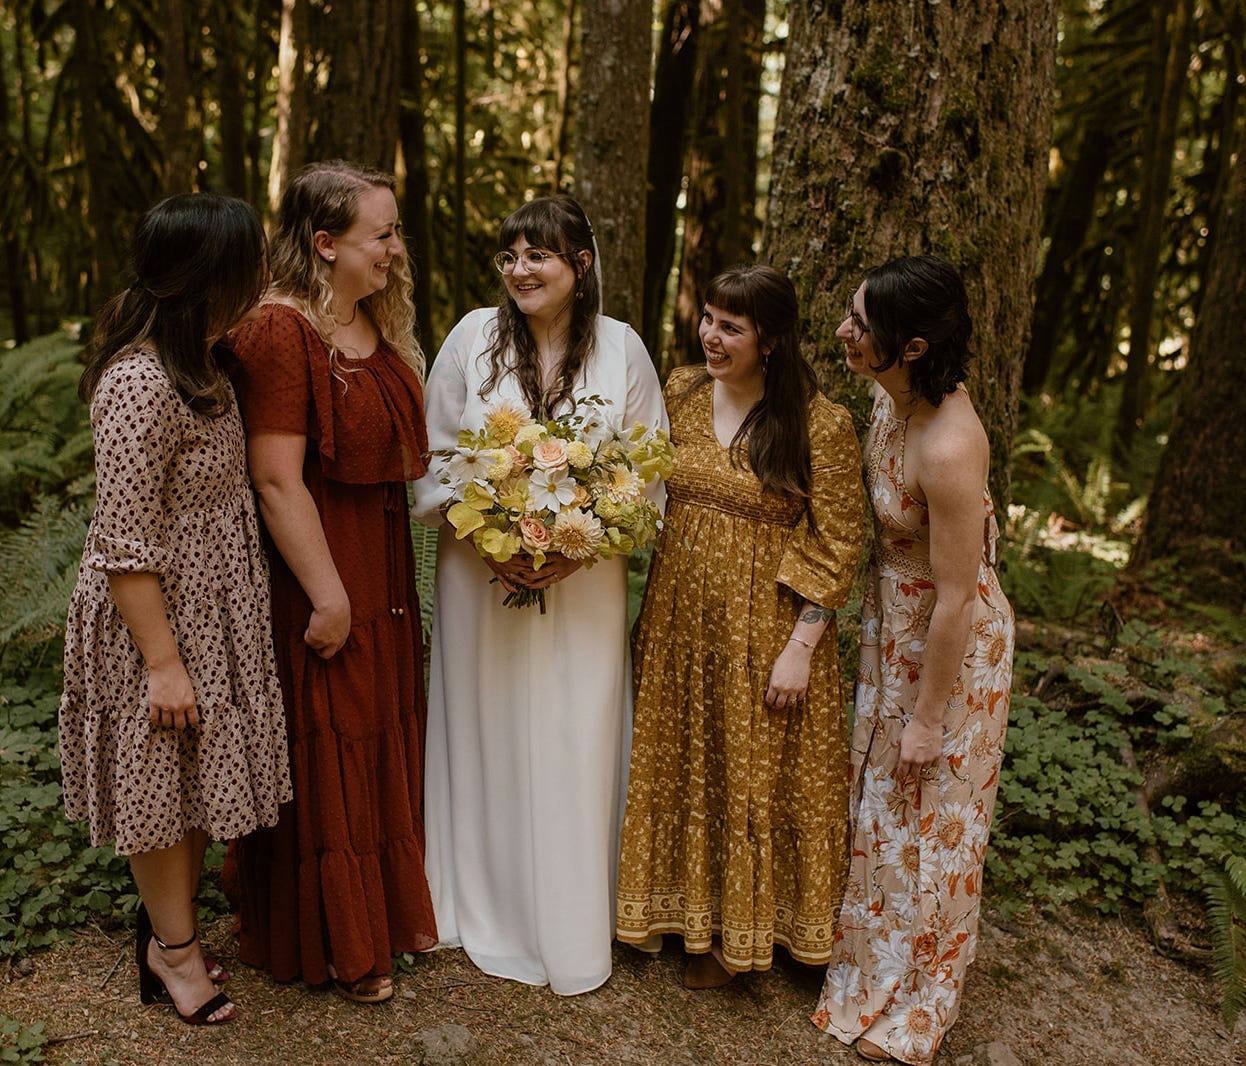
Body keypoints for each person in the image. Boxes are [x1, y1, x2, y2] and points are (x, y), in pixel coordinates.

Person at [413, 195, 668, 995]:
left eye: (539, 256)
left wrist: (575, 547)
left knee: (572, 726)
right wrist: (493, 540)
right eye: (510, 255)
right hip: (477, 576)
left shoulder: (623, 348)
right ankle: (479, 898)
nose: (520, 270)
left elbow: (646, 474)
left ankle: (569, 912)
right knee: (485, 717)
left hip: (584, 579)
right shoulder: (470, 338)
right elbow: (436, 458)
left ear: (580, 265)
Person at [57, 194, 291, 1026]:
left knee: (192, 782)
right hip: (153, 620)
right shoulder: (138, 384)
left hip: (211, 611)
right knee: (160, 784)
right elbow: (123, 545)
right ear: (207, 279)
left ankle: (170, 932)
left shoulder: (206, 361)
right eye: (250, 266)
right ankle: (175, 955)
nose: (264, 278)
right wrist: (163, 663)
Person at [615, 264, 864, 988]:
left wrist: (800, 649)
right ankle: (680, 913)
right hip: (677, 620)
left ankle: (744, 937)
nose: (711, 336)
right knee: (686, 763)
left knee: (752, 776)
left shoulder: (822, 424)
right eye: (709, 320)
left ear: (772, 340)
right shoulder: (682, 391)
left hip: (767, 629)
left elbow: (838, 541)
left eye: (732, 326)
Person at [226, 161, 437, 1004]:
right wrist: (328, 594)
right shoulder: (282, 332)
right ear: (324, 244)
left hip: (376, 560)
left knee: (373, 726)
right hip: (319, 567)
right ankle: (339, 944)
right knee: (333, 733)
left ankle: (376, 917)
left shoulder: (367, 322)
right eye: (380, 233)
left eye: (393, 231)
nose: (394, 248)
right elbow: (275, 478)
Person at [812, 255, 1015, 1065]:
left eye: (862, 326)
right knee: (885, 810)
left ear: (915, 346)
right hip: (892, 622)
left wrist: (930, 716)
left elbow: (960, 598)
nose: (844, 332)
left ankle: (919, 1001)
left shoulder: (952, 445)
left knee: (933, 816)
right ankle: (869, 966)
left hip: (949, 644)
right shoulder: (887, 395)